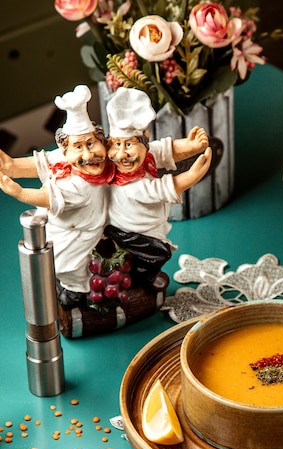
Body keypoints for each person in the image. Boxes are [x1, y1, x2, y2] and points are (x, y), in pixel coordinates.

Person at [0, 85, 113, 309]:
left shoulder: (83, 185)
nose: (88, 155)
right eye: (78, 147)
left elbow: (48, 198)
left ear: (103, 142)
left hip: (80, 234)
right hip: (57, 227)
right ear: (64, 150)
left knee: (67, 266)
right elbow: (29, 165)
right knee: (51, 265)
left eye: (91, 143)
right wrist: (9, 165)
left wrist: (19, 193)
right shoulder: (61, 158)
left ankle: (78, 293)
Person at [104, 87, 212, 291]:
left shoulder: (146, 154)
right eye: (116, 145)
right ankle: (141, 281)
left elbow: (166, 150)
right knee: (158, 254)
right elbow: (163, 188)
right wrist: (193, 175)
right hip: (130, 233)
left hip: (143, 228)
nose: (121, 154)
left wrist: (191, 146)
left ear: (145, 139)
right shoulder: (128, 184)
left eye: (128, 145)